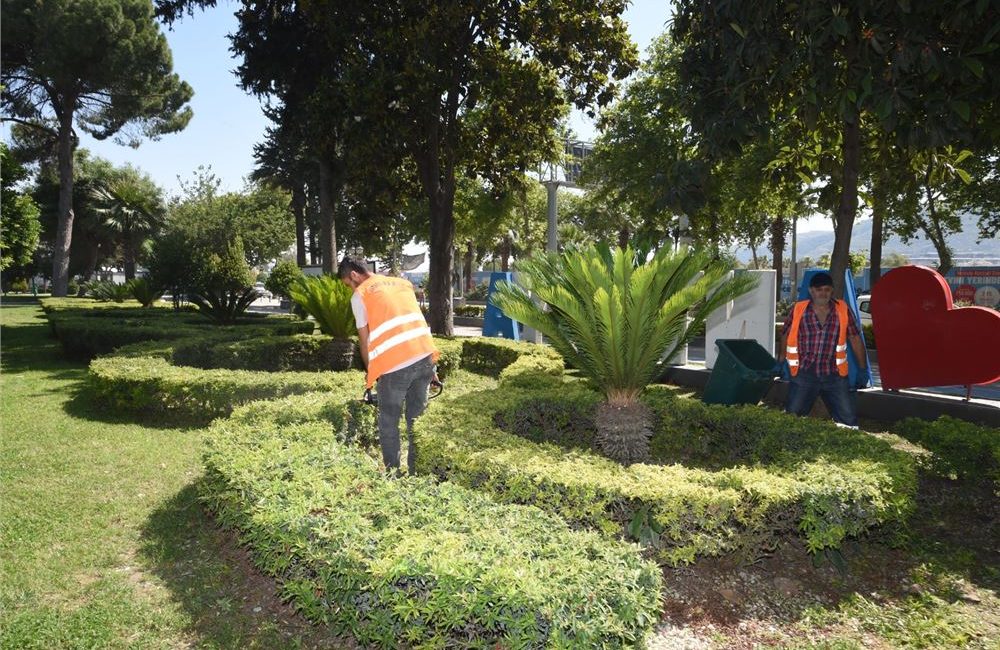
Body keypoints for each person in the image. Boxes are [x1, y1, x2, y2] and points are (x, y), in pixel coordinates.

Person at [339, 257, 440, 474]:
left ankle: (393, 476)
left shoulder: (361, 295)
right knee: (416, 421)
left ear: (354, 275)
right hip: (424, 357)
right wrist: (433, 367)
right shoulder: (402, 283)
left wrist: (371, 376)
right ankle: (416, 472)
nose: (350, 288)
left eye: (348, 283)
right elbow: (418, 321)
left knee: (388, 423)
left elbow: (364, 342)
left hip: (396, 367)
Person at [776, 272, 868, 428]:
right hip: (804, 374)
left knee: (848, 420)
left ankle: (847, 447)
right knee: (791, 418)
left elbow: (855, 338)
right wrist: (780, 361)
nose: (823, 293)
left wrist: (862, 369)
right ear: (811, 291)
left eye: (827, 289)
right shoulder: (799, 310)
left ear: (832, 291)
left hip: (835, 375)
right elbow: (785, 334)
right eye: (819, 289)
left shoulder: (843, 310)